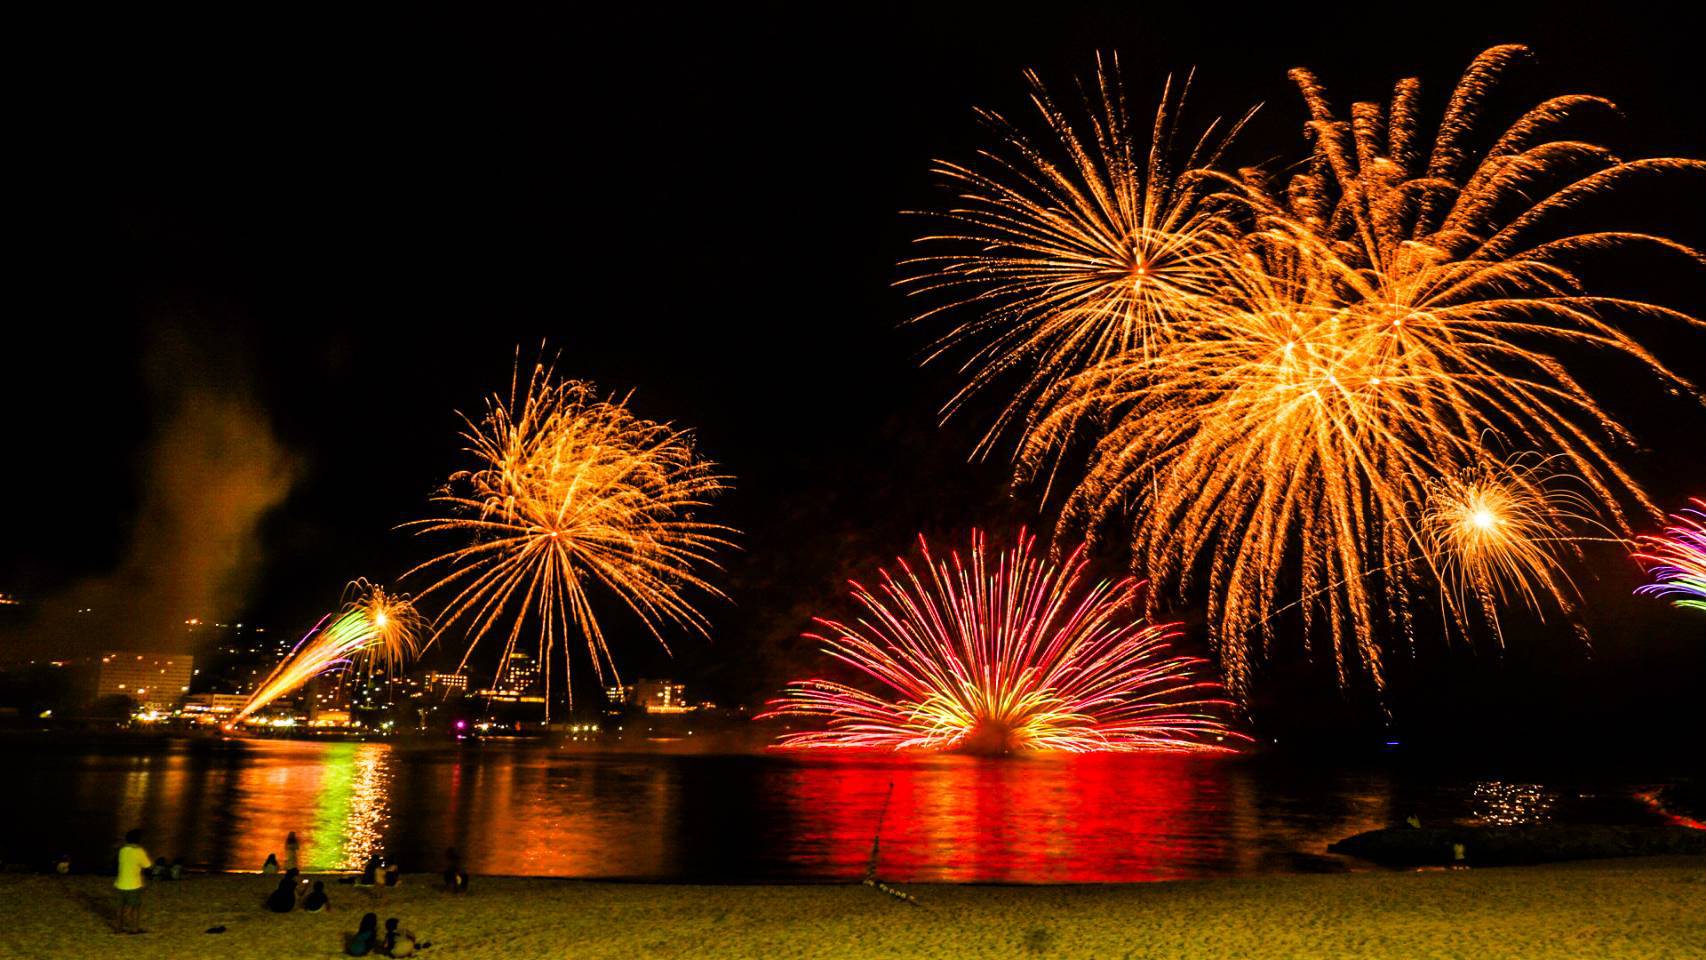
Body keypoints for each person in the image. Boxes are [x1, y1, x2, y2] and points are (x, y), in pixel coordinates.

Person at [114, 828, 150, 934]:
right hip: (133, 884)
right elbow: (147, 865)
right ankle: (134, 928)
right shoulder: (139, 851)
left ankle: (118, 928)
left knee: (120, 906)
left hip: (120, 882)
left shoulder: (122, 850)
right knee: (135, 906)